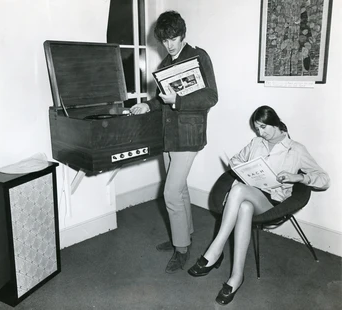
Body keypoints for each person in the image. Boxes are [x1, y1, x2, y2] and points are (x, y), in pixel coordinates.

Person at [187, 105, 330, 305]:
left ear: (276, 123)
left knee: (237, 191)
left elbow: (324, 179)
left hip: (273, 202)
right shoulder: (256, 143)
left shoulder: (295, 149)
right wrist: (240, 168)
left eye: (264, 127)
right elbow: (236, 159)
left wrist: (297, 177)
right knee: (244, 207)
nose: (261, 133)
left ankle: (215, 249)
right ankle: (236, 277)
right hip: (250, 197)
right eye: (257, 129)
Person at [130, 10, 218, 274]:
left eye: (173, 37)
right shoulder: (164, 66)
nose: (169, 44)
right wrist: (147, 105)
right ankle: (185, 235)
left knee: (170, 193)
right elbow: (161, 99)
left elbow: (211, 96)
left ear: (182, 34)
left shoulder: (199, 56)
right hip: (168, 136)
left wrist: (178, 101)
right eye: (164, 40)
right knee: (179, 190)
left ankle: (181, 249)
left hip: (189, 135)